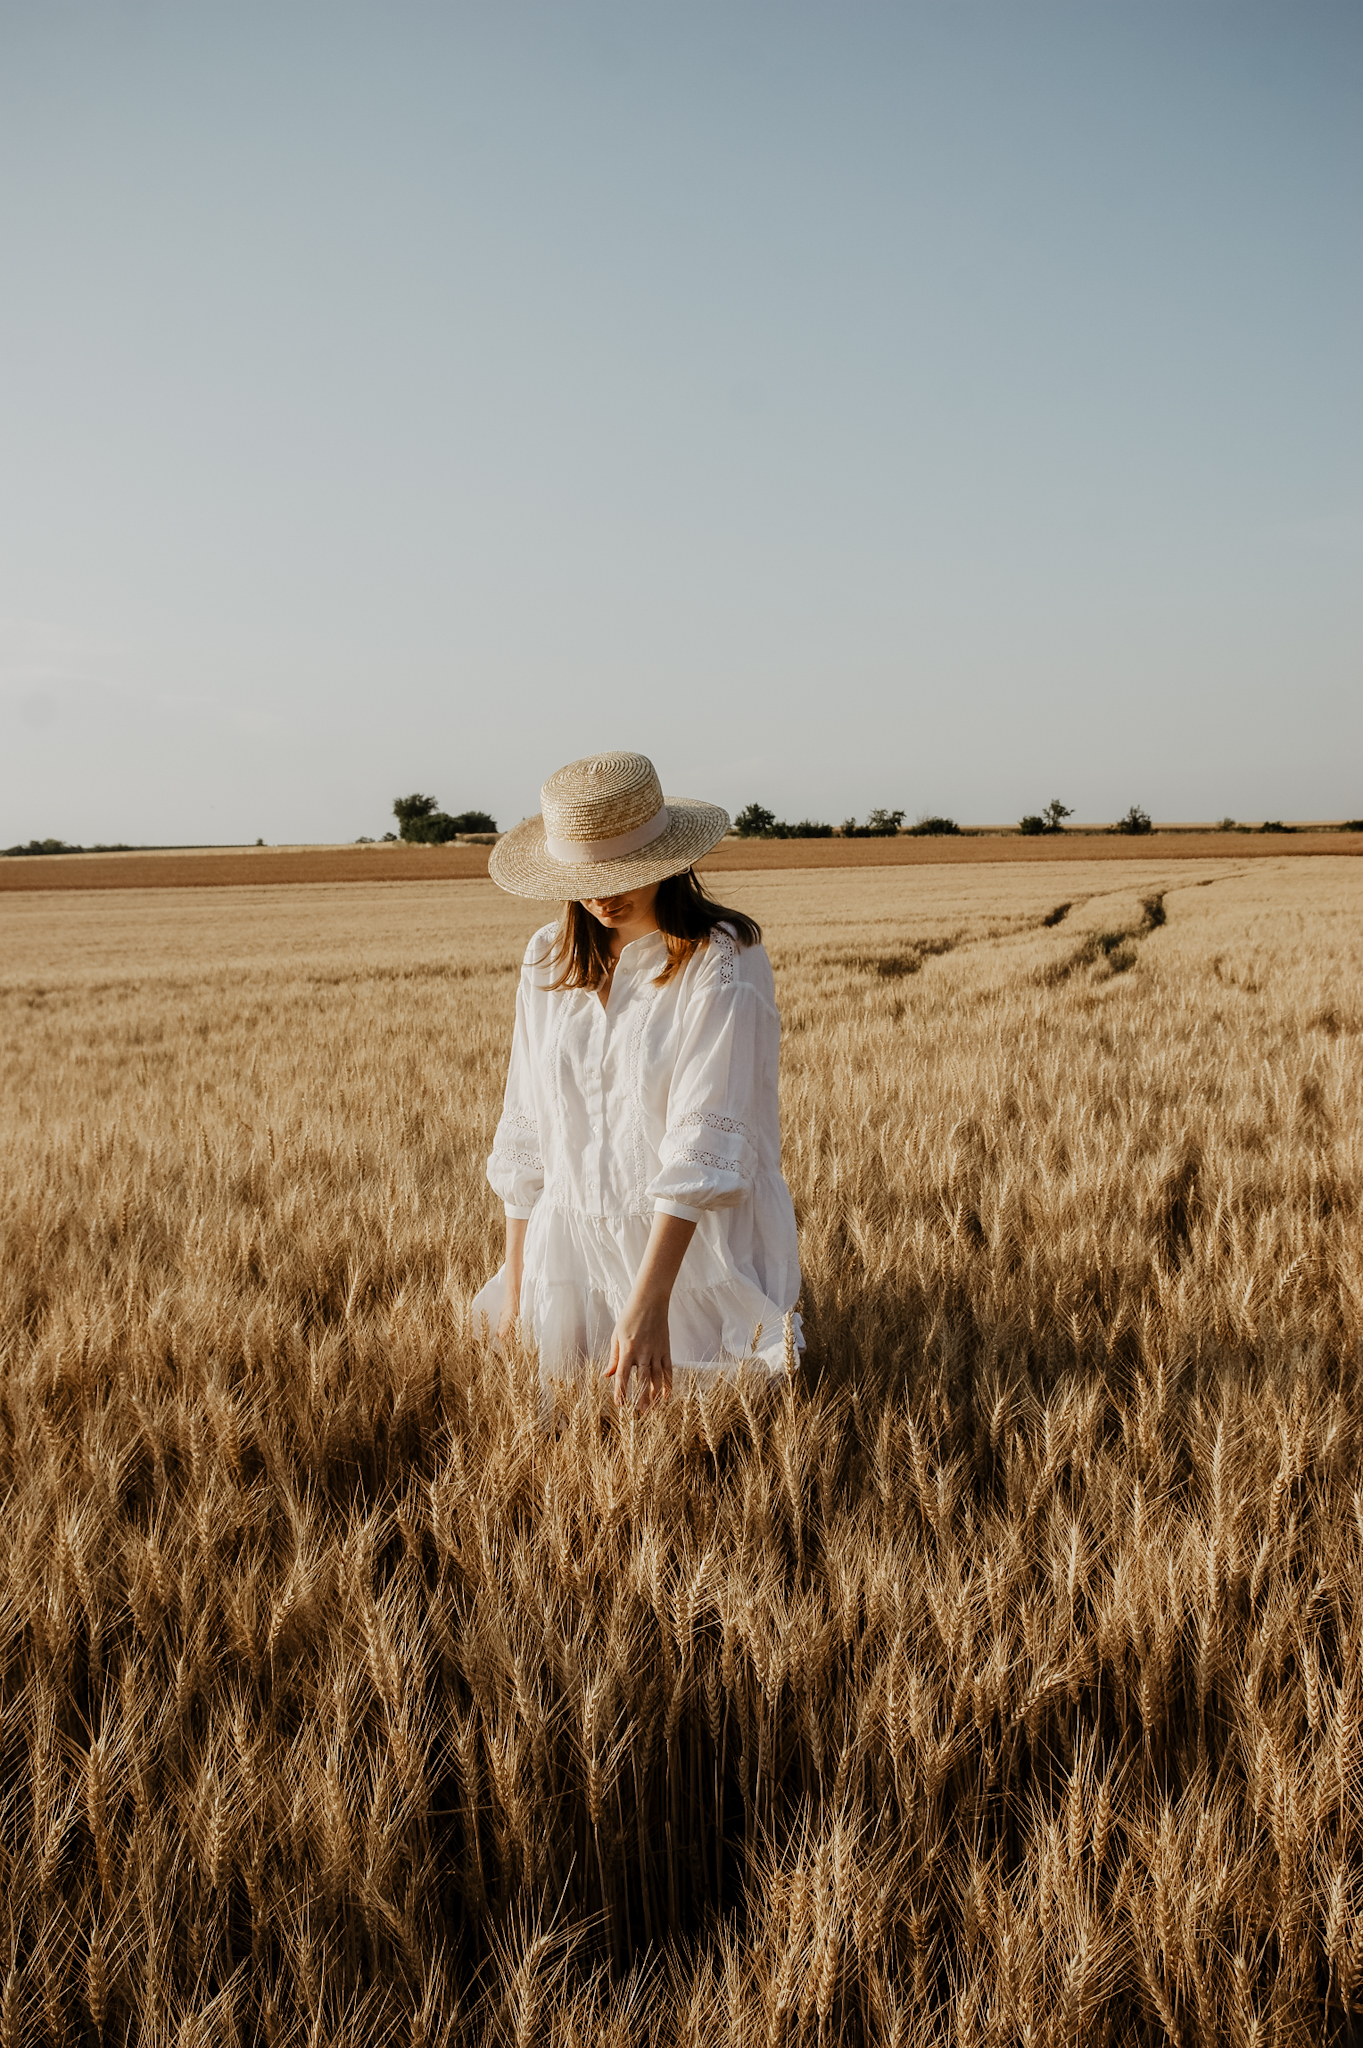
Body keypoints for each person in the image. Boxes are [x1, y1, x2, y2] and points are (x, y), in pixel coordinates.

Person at [472, 749, 802, 1409]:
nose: (598, 892)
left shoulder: (721, 962)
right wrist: (517, 1281)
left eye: (620, 870)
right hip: (566, 1258)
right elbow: (526, 1125)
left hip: (687, 1259)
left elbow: (703, 1139)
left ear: (667, 863)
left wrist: (649, 1304)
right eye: (581, 875)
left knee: (706, 1451)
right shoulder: (547, 955)